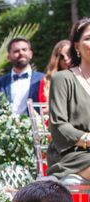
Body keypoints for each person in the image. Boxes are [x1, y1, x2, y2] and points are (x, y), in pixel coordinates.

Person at [47, 18, 90, 184]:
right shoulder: (62, 79)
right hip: (72, 155)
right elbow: (58, 125)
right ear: (76, 46)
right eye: (88, 38)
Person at [0, 37, 45, 116]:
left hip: (36, 127)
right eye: (16, 51)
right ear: (8, 57)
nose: (21, 53)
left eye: (24, 50)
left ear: (30, 54)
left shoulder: (43, 79)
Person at [39, 40, 72, 104]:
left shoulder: (84, 76)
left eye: (69, 54)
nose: (65, 58)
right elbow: (43, 106)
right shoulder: (47, 81)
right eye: (61, 56)